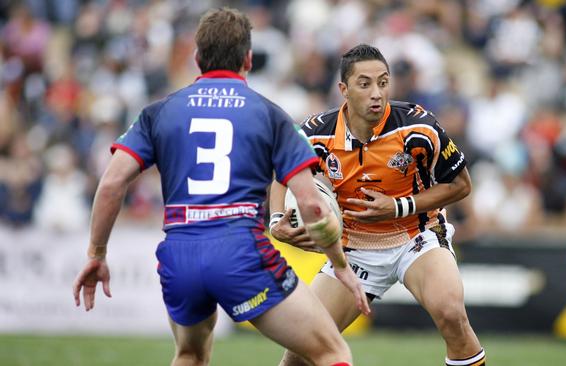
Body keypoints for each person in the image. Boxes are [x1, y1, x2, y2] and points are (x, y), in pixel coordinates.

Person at [72, 8, 369, 366]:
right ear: (247, 58)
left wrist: (96, 254)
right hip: (240, 250)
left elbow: (111, 184)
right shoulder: (270, 115)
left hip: (179, 253)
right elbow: (314, 207)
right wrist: (339, 265)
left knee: (190, 355)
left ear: (198, 58)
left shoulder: (159, 112)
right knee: (332, 352)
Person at [270, 44, 486, 366]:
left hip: (417, 236)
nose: (377, 93)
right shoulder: (316, 134)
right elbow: (282, 175)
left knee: (451, 313)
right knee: (300, 353)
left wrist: (399, 206)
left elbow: (461, 185)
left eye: (383, 83)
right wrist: (276, 222)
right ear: (343, 89)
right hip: (353, 249)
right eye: (365, 83)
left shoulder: (419, 126)